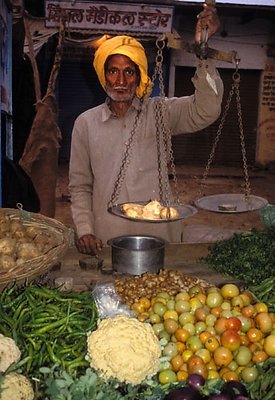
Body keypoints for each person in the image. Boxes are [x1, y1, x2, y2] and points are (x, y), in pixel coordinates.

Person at [69, 2, 224, 255]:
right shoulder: (85, 124)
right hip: (109, 235)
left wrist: (202, 52)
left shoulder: (160, 112)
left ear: (140, 76)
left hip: (160, 235)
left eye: (129, 72)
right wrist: (85, 229)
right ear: (103, 75)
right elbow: (80, 186)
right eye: (113, 71)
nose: (120, 81)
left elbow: (206, 110)